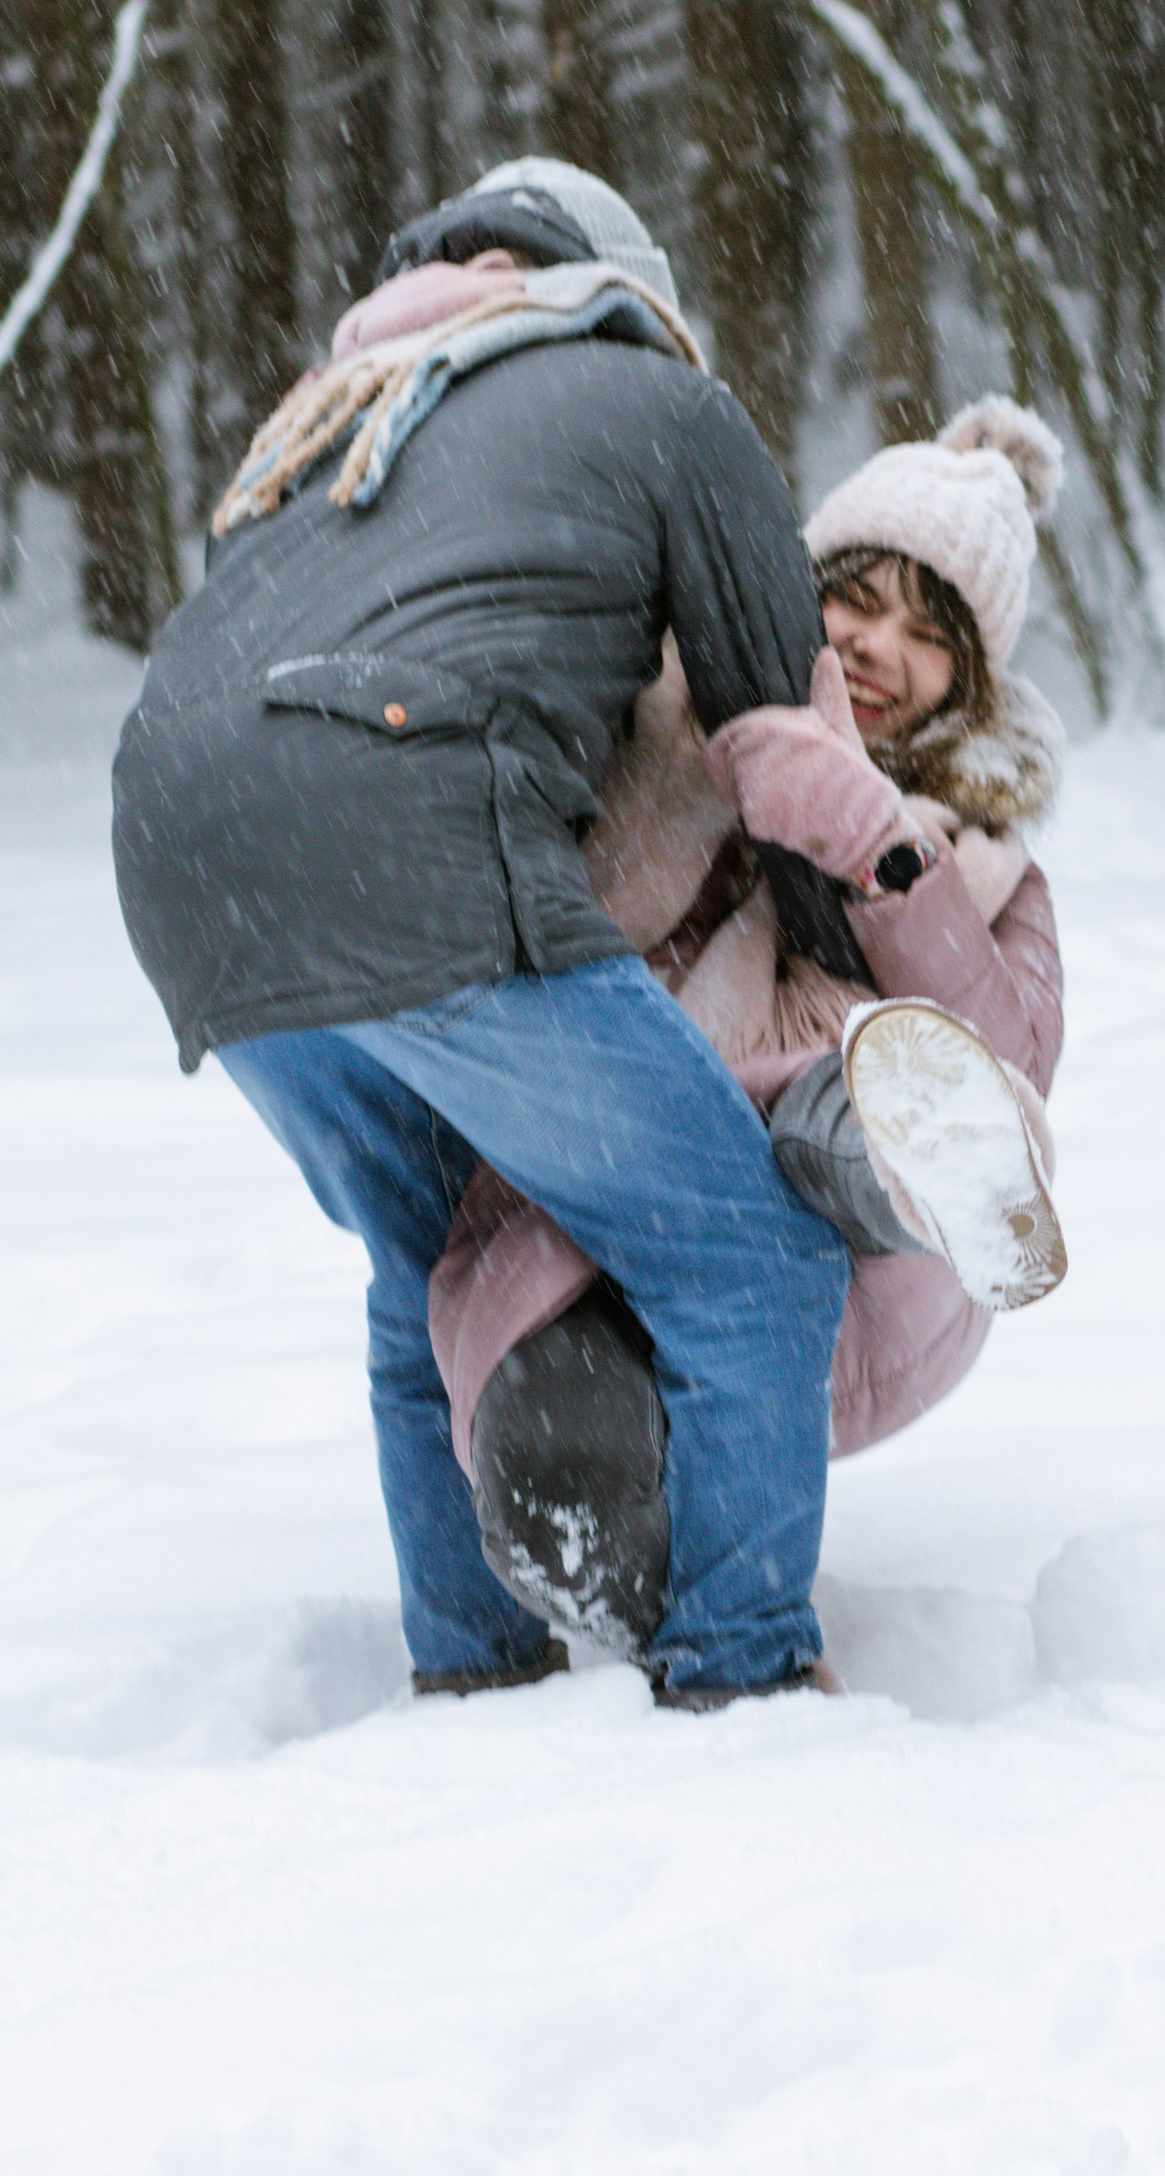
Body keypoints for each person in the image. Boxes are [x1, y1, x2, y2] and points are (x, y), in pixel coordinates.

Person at [110, 155, 872, 1710]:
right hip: (408, 828)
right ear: (632, 296)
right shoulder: (662, 404)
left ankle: (474, 1681)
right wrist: (841, 970)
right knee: (750, 1254)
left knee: (425, 1250)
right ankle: (746, 1682)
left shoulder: (332, 420)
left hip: (178, 861)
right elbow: (772, 730)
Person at [428, 401, 1070, 1659]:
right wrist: (710, 779)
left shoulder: (980, 853)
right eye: (855, 598)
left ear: (972, 683)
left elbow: (1015, 1057)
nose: (879, 648)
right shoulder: (658, 731)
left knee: (875, 1108)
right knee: (557, 1442)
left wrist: (873, 846)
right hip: (602, 1200)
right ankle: (674, 1626)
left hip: (847, 1271)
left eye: (929, 637)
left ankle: (878, 1149)